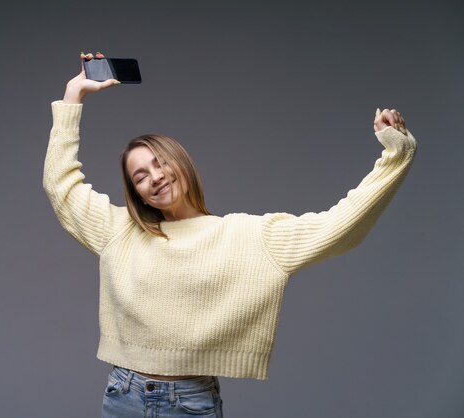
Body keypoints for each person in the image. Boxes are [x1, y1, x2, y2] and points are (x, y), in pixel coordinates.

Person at [43, 52, 417, 418]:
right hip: (123, 395)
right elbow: (62, 187)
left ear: (182, 162)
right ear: (135, 191)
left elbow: (339, 226)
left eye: (161, 163)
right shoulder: (120, 231)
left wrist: (395, 157)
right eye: (140, 176)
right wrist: (73, 97)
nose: (155, 177)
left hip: (190, 403)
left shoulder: (246, 236)